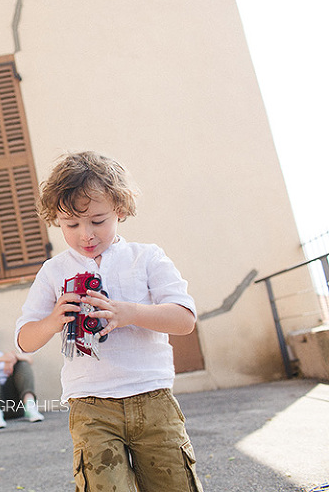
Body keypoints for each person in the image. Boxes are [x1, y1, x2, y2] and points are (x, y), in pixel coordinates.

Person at [15, 151, 204, 491]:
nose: (85, 234)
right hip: (90, 406)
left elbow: (184, 319)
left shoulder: (146, 257)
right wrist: (53, 320)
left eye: (97, 221)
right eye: (71, 225)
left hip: (153, 398)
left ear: (119, 208)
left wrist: (130, 313)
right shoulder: (53, 271)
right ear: (56, 220)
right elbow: (25, 339)